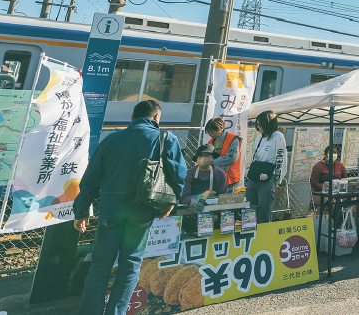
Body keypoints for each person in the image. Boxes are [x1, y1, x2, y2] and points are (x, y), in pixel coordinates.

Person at [74, 100, 186, 315]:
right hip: (142, 211)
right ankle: (116, 312)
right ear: (156, 119)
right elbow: (178, 175)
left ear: (132, 119)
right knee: (130, 265)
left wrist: (81, 211)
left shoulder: (111, 140)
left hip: (109, 211)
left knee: (100, 266)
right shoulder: (166, 139)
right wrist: (171, 202)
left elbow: (90, 179)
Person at [247, 110, 288, 224]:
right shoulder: (259, 138)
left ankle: (264, 239)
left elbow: (281, 158)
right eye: (257, 124)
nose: (258, 126)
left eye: (261, 124)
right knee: (249, 211)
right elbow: (256, 157)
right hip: (253, 177)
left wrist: (277, 180)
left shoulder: (277, 136)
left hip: (267, 179)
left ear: (268, 123)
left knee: (264, 214)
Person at [203, 117, 241, 191]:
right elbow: (205, 158)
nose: (210, 134)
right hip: (215, 177)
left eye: (212, 131)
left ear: (221, 128)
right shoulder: (212, 141)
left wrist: (212, 163)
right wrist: (222, 166)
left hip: (230, 178)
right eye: (208, 132)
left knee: (226, 201)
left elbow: (231, 158)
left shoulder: (233, 139)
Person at [311, 144, 346, 212]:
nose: (333, 154)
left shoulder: (340, 165)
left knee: (352, 199)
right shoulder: (318, 166)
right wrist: (326, 188)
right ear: (325, 155)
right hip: (321, 192)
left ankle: (344, 220)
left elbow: (345, 179)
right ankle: (333, 221)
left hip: (337, 191)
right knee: (331, 203)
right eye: (331, 153)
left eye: (335, 153)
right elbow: (314, 183)